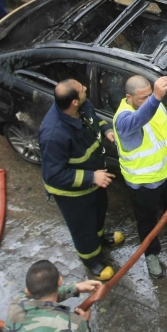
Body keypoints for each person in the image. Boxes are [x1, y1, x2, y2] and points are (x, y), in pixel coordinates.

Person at [39, 79, 125, 281]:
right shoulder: (54, 135)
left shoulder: (83, 106)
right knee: (82, 226)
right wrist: (91, 177)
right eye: (82, 90)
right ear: (74, 102)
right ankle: (92, 261)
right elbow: (54, 175)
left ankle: (100, 239)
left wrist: (106, 130)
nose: (86, 88)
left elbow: (95, 120)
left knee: (99, 211)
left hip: (96, 179)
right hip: (73, 193)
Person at [113, 75, 167, 279]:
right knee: (147, 221)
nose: (148, 100)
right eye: (143, 98)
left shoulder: (153, 102)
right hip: (143, 183)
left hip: (166, 170)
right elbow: (140, 118)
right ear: (129, 98)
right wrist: (156, 98)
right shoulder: (123, 119)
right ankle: (151, 254)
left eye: (150, 95)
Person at [4, 260, 99, 332]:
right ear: (60, 281)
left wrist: (75, 288)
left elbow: (42, 294)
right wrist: (84, 324)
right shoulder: (74, 326)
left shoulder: (15, 303)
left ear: (27, 290)